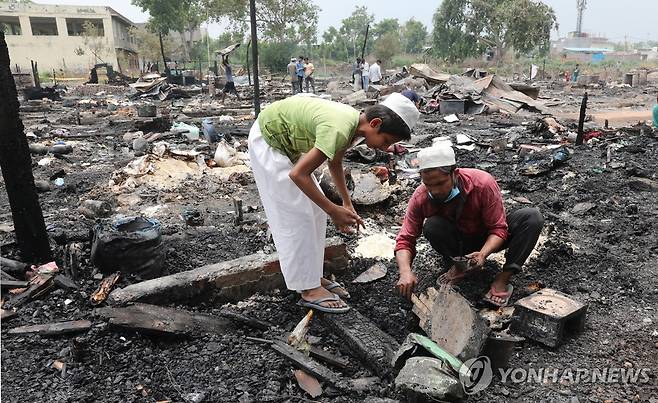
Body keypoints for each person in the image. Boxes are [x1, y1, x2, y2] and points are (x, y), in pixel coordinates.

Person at [248, 93, 419, 313]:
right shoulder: (340, 127)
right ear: (375, 124)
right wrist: (332, 210)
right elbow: (298, 174)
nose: (385, 148)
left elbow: (334, 163)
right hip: (268, 140)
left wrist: (346, 204)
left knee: (316, 213)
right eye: (386, 141)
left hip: (284, 142)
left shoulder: (353, 127)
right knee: (296, 216)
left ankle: (312, 276)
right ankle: (308, 289)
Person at [394, 144, 544, 307]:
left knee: (532, 217)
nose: (435, 191)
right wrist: (405, 272)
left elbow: (498, 228)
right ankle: (458, 265)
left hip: (489, 238)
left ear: (455, 173)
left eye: (440, 183)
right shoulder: (421, 197)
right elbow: (405, 239)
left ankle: (503, 278)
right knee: (432, 225)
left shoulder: (482, 183)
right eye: (429, 185)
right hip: (458, 241)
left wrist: (483, 254)